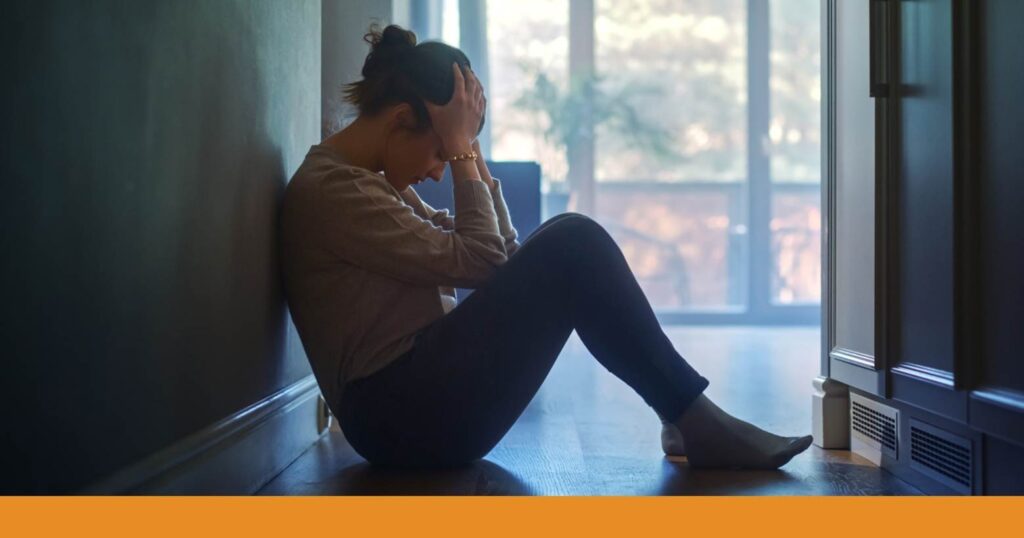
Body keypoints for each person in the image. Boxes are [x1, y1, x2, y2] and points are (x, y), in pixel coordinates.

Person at [280, 24, 813, 471]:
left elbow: (500, 260)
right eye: (442, 152)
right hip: (401, 420)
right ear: (400, 121)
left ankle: (686, 419)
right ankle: (692, 419)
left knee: (570, 239)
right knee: (574, 239)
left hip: (414, 405)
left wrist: (470, 153)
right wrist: (464, 151)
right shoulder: (337, 191)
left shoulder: (367, 184)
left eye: (450, 155)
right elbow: (484, 259)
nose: (438, 171)